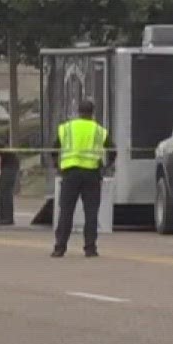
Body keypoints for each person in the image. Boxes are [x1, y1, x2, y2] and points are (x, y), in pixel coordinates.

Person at [51, 99, 113, 258]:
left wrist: (56, 165)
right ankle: (90, 248)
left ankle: (60, 248)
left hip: (70, 173)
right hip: (92, 174)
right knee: (91, 213)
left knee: (66, 211)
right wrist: (105, 166)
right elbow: (112, 150)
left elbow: (53, 148)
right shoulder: (99, 130)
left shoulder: (67, 128)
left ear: (78, 111)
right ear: (93, 113)